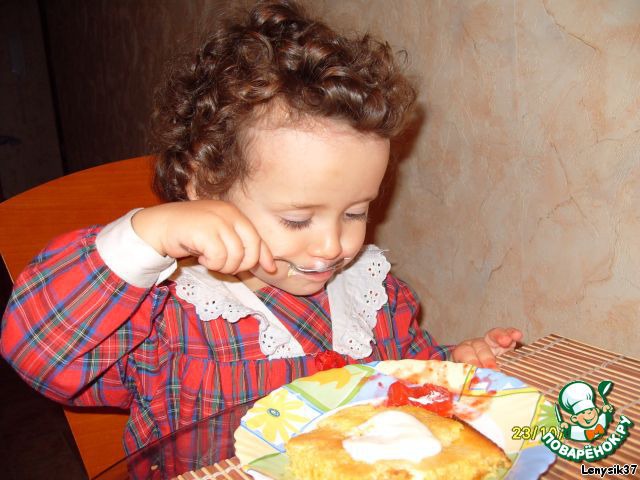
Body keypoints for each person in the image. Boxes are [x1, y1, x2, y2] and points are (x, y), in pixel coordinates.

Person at [0, 0, 521, 468]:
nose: (332, 245)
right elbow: (41, 354)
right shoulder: (166, 312)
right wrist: (143, 236)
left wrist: (455, 365)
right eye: (297, 219)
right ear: (204, 186)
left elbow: (408, 377)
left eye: (356, 212)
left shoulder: (373, 294)